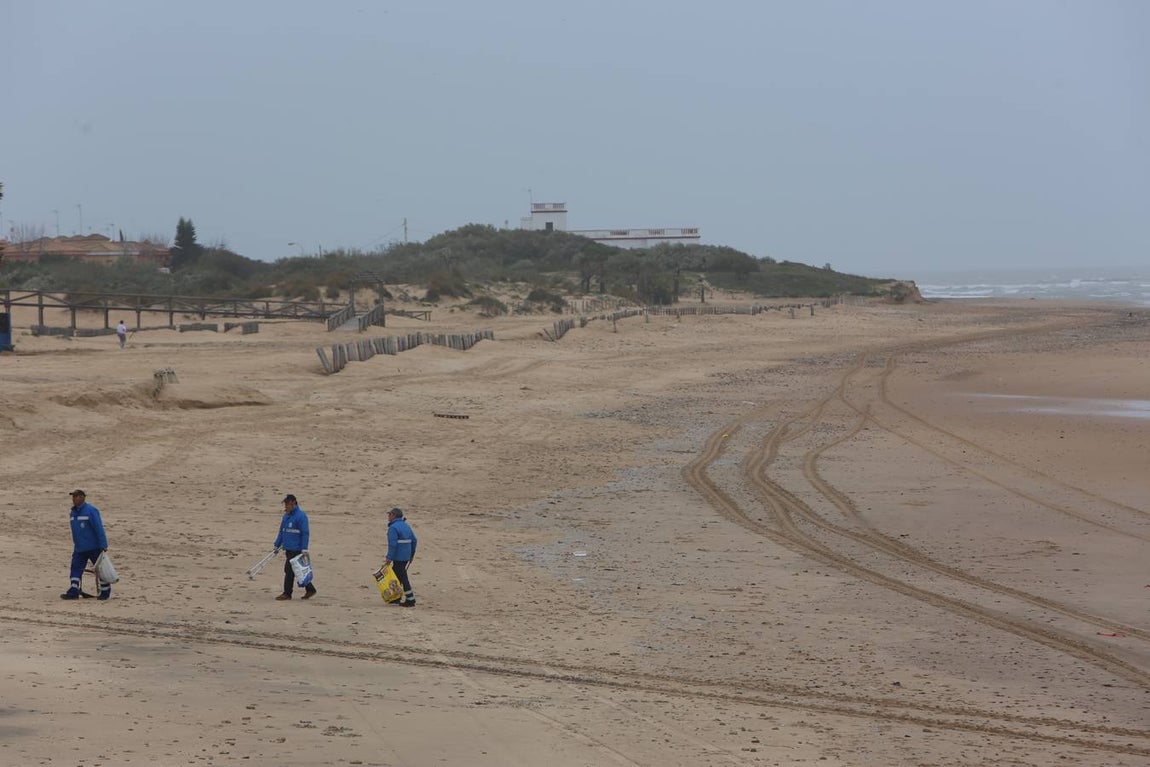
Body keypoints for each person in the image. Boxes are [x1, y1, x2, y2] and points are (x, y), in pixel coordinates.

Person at [62, 490, 112, 600]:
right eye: (73, 497)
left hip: (94, 546)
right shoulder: (73, 512)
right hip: (79, 547)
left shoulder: (91, 511)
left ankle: (105, 591)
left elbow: (98, 528)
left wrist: (103, 544)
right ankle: (74, 590)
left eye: (76, 496)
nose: (74, 499)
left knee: (100, 569)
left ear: (82, 498)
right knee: (75, 567)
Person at [273, 494, 316, 601]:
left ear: (293, 503)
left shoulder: (301, 516)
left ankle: (287, 593)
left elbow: (305, 533)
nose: (285, 506)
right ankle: (310, 589)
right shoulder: (286, 516)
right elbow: (282, 531)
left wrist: (304, 548)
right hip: (288, 547)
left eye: (287, 504)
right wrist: (277, 544)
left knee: (289, 570)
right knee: (297, 571)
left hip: (297, 549)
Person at [384, 507, 417, 607]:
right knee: (397, 576)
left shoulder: (393, 528)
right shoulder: (406, 526)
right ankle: (396, 598)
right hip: (406, 556)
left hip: (398, 556)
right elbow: (414, 540)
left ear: (394, 515)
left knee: (402, 576)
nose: (388, 516)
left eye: (389, 514)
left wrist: (389, 557)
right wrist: (411, 555)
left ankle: (410, 599)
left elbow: (393, 544)